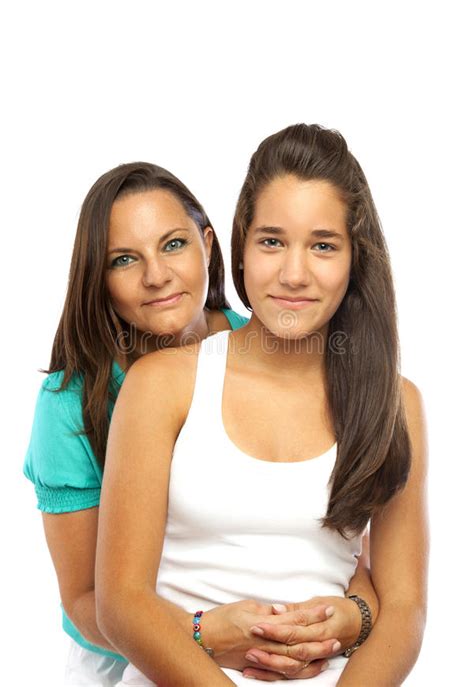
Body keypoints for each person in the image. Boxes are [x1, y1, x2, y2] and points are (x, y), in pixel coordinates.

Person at [96, 124, 428, 686]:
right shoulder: (162, 386)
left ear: (354, 259)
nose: (294, 274)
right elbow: (122, 603)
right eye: (272, 241)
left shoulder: (395, 403)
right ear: (242, 248)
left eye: (323, 245)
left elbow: (404, 612)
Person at [24, 161, 374, 686]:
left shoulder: (267, 346)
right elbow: (83, 599)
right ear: (98, 277)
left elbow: (338, 541)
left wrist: (344, 618)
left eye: (173, 245)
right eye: (124, 259)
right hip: (121, 655)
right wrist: (201, 634)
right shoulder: (71, 404)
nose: (156, 276)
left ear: (208, 245)